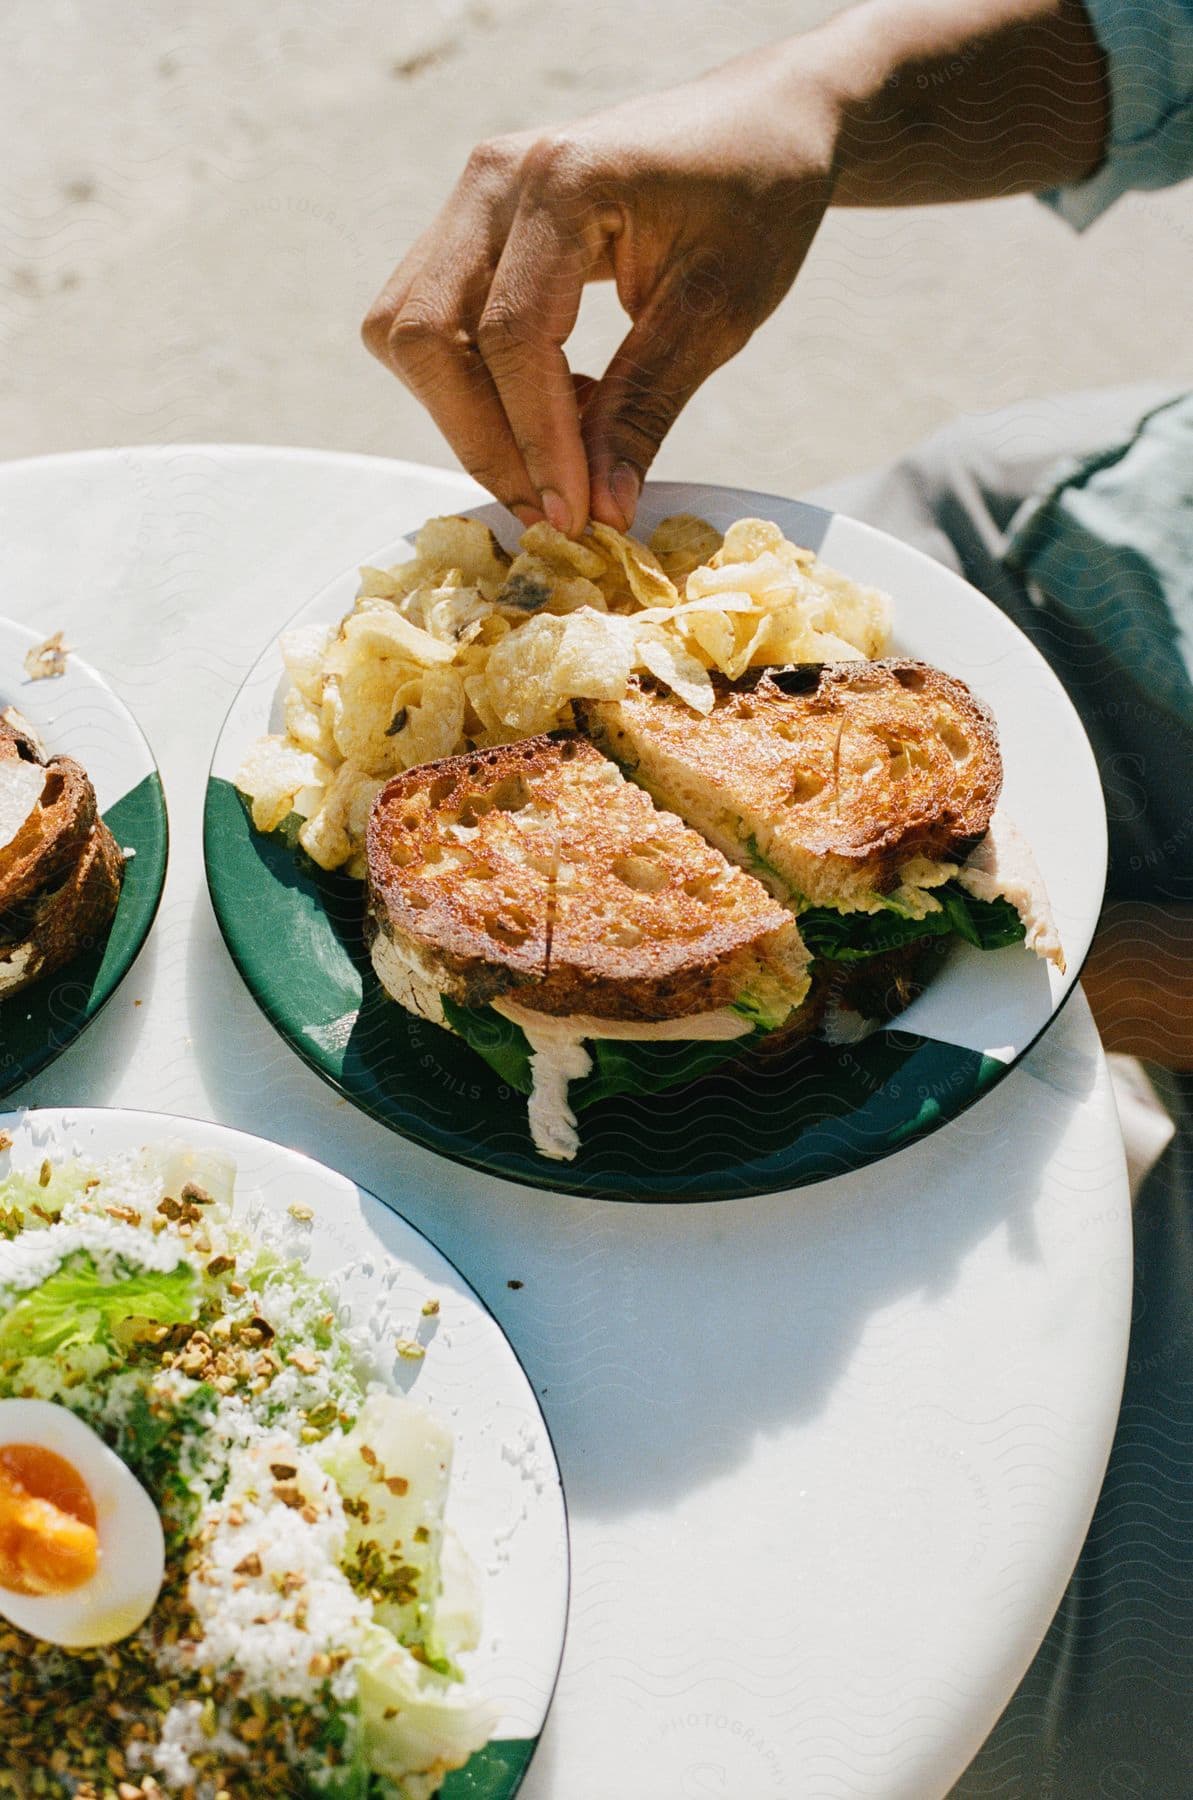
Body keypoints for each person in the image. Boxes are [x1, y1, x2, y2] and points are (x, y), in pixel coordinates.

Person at [364, 2, 1193, 1791]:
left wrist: (1041, 991)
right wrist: (809, 102)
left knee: (1002, 1684)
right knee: (902, 541)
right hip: (1127, 550)